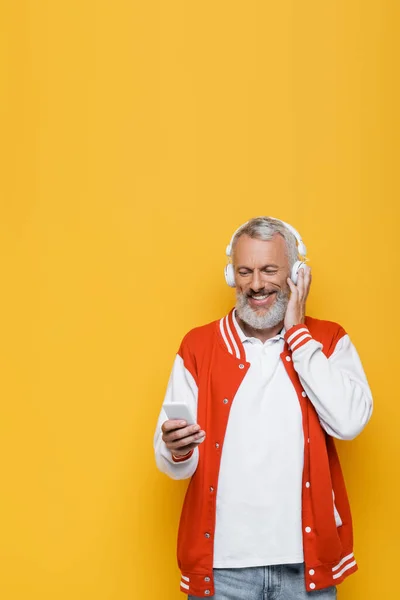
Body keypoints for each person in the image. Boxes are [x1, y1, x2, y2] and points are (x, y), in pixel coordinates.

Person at [154, 216, 372, 600]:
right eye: (245, 271)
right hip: (223, 570)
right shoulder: (198, 347)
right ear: (231, 276)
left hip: (305, 566)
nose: (256, 284)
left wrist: (298, 332)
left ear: (297, 274)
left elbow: (350, 422)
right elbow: (175, 463)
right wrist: (176, 448)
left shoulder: (328, 340)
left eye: (270, 270)